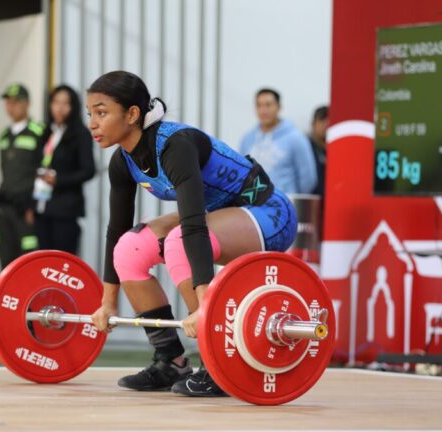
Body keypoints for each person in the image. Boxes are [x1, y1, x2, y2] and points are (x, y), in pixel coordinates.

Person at [87, 71, 297, 397]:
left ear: (132, 114)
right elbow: (116, 230)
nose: (93, 123)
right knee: (129, 249)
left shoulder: (175, 146)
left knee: (179, 241)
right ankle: (171, 360)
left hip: (269, 215)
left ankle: (217, 364)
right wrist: (107, 303)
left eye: (101, 113)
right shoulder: (123, 162)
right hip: (220, 216)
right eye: (90, 114)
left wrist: (203, 311)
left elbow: (194, 226)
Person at [33, 85, 95, 254]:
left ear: (73, 107)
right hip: (42, 207)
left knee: (63, 262)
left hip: (65, 209)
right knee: (43, 262)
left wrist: (58, 180)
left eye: (65, 103)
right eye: (56, 102)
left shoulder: (80, 134)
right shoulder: (46, 132)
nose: (60, 108)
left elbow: (89, 170)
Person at [0, 83, 44, 269]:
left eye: (15, 102)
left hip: (26, 210)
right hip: (5, 208)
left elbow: (44, 171)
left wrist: (35, 205)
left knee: (28, 262)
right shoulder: (4, 135)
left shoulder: (38, 132)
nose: (11, 106)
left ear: (27, 103)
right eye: (8, 102)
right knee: (5, 260)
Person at [239, 88, 317, 194]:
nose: (263, 110)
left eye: (268, 105)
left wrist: (291, 201)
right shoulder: (247, 139)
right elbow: (243, 173)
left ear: (279, 107)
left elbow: (308, 179)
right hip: (254, 206)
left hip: (284, 204)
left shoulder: (296, 138)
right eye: (259, 105)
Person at [308, 105, 328, 198]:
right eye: (322, 120)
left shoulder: (338, 150)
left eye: (328, 120)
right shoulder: (306, 146)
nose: (326, 124)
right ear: (313, 124)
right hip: (312, 199)